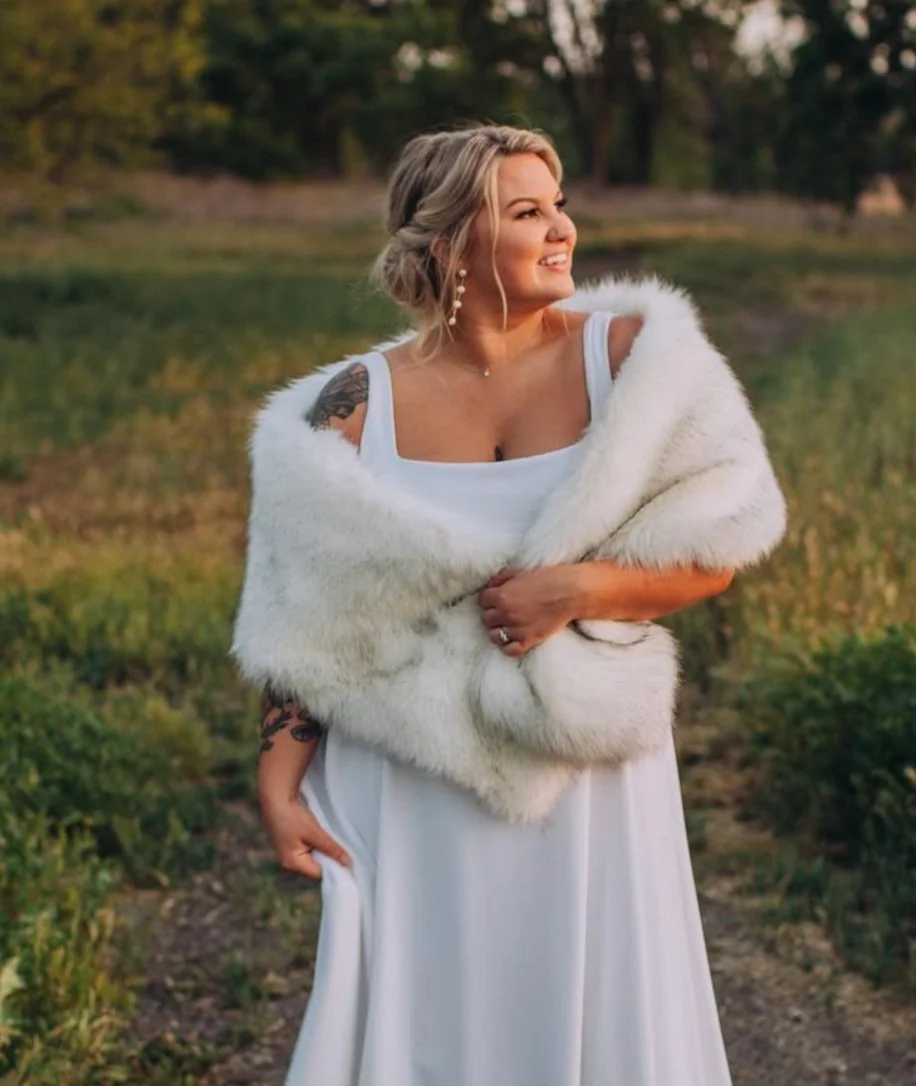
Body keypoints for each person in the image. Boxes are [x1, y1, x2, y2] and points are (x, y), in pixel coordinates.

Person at [246, 124, 756, 1085]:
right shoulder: (349, 404)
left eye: (558, 205)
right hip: (410, 777)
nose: (562, 229)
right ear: (448, 245)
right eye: (527, 212)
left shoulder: (634, 356)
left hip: (588, 775)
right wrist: (280, 781)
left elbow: (718, 546)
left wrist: (579, 589)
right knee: (433, 1023)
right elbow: (300, 617)